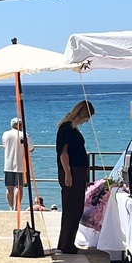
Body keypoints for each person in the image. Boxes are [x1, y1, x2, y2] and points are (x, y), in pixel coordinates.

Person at [54, 100, 95, 254]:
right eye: (87, 117)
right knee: (71, 208)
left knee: (75, 208)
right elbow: (63, 153)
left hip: (77, 171)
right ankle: (66, 244)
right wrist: (68, 174)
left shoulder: (72, 128)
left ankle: (68, 242)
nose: (87, 120)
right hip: (72, 172)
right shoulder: (67, 129)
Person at [1, 116, 32, 216]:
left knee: (9, 187)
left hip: (8, 164)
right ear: (20, 125)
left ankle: (11, 207)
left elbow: (4, 145)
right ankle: (16, 207)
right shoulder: (25, 135)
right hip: (21, 165)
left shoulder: (6, 134)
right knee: (19, 187)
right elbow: (31, 148)